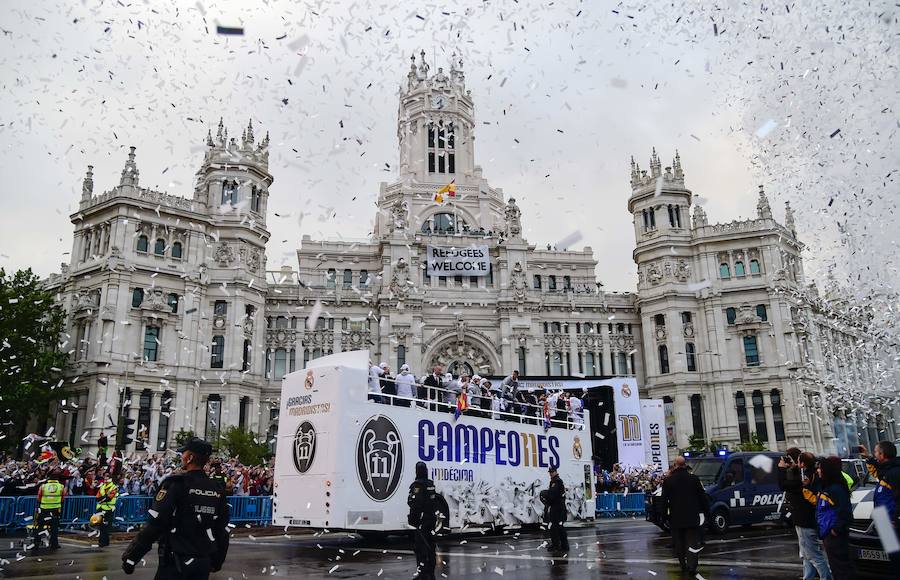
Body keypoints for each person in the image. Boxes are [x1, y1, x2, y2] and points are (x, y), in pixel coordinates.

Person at [121, 437, 230, 578]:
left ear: (190, 458)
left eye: (184, 453)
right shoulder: (216, 489)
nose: (181, 457)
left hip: (175, 563)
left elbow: (156, 523)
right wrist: (217, 560)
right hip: (202, 564)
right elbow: (222, 529)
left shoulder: (176, 484)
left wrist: (132, 557)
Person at [779, 449, 832, 580]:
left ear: (802, 463)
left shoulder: (805, 478)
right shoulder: (812, 474)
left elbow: (783, 484)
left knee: (813, 555)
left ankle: (827, 577)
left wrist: (781, 469)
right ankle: (808, 577)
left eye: (796, 461)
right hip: (807, 519)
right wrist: (793, 466)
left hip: (804, 520)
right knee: (807, 555)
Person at [803, 456, 854, 580]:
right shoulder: (825, 487)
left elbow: (845, 512)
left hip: (834, 534)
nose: (818, 471)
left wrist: (835, 529)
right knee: (836, 567)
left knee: (841, 568)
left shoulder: (836, 489)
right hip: (827, 533)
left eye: (820, 469)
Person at [660, 455, 708, 575]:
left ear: (675, 465)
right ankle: (692, 566)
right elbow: (702, 497)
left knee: (679, 543)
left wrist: (664, 516)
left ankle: (683, 565)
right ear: (685, 465)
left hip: (676, 516)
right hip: (692, 515)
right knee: (692, 542)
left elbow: (664, 500)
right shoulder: (694, 479)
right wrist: (706, 512)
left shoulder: (668, 481)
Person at [859, 441, 900, 571]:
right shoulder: (887, 469)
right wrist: (867, 457)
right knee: (893, 559)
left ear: (883, 454)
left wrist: (895, 518)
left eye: (876, 452)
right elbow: (876, 467)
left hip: (891, 522)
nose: (875, 454)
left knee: (897, 559)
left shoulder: (894, 472)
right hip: (884, 520)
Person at [407, 461, 438, 580]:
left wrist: (413, 520)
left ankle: (423, 574)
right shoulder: (430, 484)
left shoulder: (418, 485)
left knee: (420, 548)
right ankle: (430, 572)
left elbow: (415, 503)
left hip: (421, 521)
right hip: (430, 519)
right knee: (430, 546)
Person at [32, 468, 65, 554]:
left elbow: (38, 498)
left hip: (44, 510)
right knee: (54, 528)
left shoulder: (43, 486)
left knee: (40, 527)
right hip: (55, 510)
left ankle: (36, 544)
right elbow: (62, 499)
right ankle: (54, 544)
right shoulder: (61, 487)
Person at [542, 466, 568, 553]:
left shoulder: (556, 482)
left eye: (552, 472)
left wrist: (547, 499)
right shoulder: (555, 481)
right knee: (558, 527)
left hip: (558, 508)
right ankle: (563, 545)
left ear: (555, 472)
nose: (550, 473)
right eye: (550, 472)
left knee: (555, 528)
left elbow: (553, 495)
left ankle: (557, 545)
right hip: (558, 507)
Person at [96, 470, 119, 548]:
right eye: (105, 477)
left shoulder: (114, 487)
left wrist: (104, 498)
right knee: (101, 526)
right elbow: (97, 497)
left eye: (107, 477)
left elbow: (109, 498)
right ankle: (102, 541)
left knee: (106, 526)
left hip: (109, 509)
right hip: (101, 508)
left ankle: (104, 542)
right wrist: (104, 498)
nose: (105, 479)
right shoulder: (102, 486)